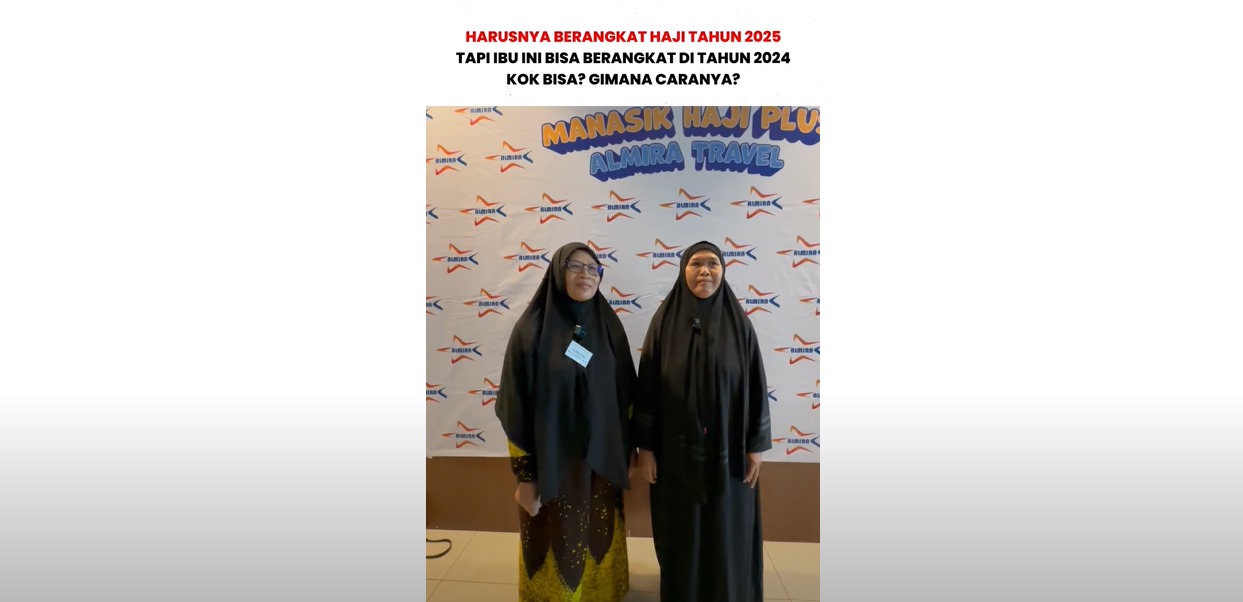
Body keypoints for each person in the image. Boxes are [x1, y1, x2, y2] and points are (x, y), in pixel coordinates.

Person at [495, 242, 637, 601]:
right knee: (558, 536)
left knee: (598, 531)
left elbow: (626, 395)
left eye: (593, 268)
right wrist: (526, 475)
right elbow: (514, 407)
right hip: (552, 465)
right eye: (575, 266)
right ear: (558, 273)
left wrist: (628, 450)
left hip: (601, 464)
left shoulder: (609, 326)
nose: (585, 274)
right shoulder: (531, 330)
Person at [632, 240, 773, 601]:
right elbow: (647, 389)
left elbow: (756, 386)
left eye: (713, 263)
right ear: (683, 271)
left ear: (723, 271)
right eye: (696, 263)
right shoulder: (663, 323)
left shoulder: (739, 325)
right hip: (675, 453)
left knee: (727, 527)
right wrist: (646, 448)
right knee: (683, 529)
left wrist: (756, 445)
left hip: (730, 451)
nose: (705, 271)